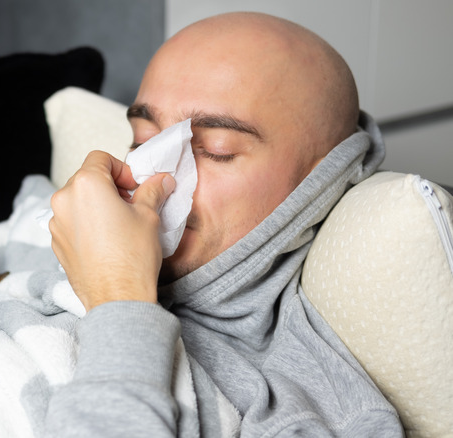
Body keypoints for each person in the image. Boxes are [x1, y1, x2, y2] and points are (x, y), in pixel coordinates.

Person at [45, 11, 403, 437]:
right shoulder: (43, 223)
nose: (153, 173)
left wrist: (119, 299)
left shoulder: (300, 417)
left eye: (214, 150)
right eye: (143, 140)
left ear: (319, 184)